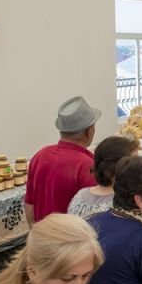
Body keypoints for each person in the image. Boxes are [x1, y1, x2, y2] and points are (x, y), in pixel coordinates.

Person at [25, 96, 101, 225]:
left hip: (43, 235)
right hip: (70, 241)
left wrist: (36, 235)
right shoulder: (87, 165)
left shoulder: (40, 155)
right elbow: (93, 216)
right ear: (89, 131)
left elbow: (29, 204)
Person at [68, 136, 138, 218]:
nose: (139, 167)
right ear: (110, 171)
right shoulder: (123, 205)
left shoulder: (80, 195)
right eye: (134, 163)